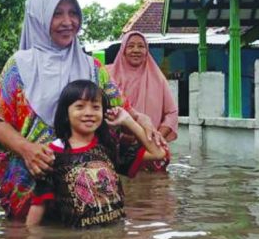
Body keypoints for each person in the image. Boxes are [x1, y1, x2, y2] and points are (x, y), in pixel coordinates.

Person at [0, 0, 160, 220]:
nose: (68, 22)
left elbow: (124, 109)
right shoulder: (18, 66)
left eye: (73, 13)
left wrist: (144, 120)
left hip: (86, 192)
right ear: (39, 17)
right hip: (30, 185)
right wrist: (27, 149)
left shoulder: (92, 68)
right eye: (56, 13)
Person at [26, 79, 168, 228]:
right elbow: (38, 205)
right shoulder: (51, 154)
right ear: (66, 113)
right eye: (79, 107)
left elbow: (158, 153)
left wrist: (128, 121)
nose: (89, 113)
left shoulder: (109, 147)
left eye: (95, 107)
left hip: (115, 238)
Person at [108, 30, 179, 139]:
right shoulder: (108, 75)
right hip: (115, 143)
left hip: (149, 145)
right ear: (123, 50)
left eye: (141, 46)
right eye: (130, 46)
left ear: (146, 51)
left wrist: (157, 136)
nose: (136, 50)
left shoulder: (158, 79)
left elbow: (172, 113)